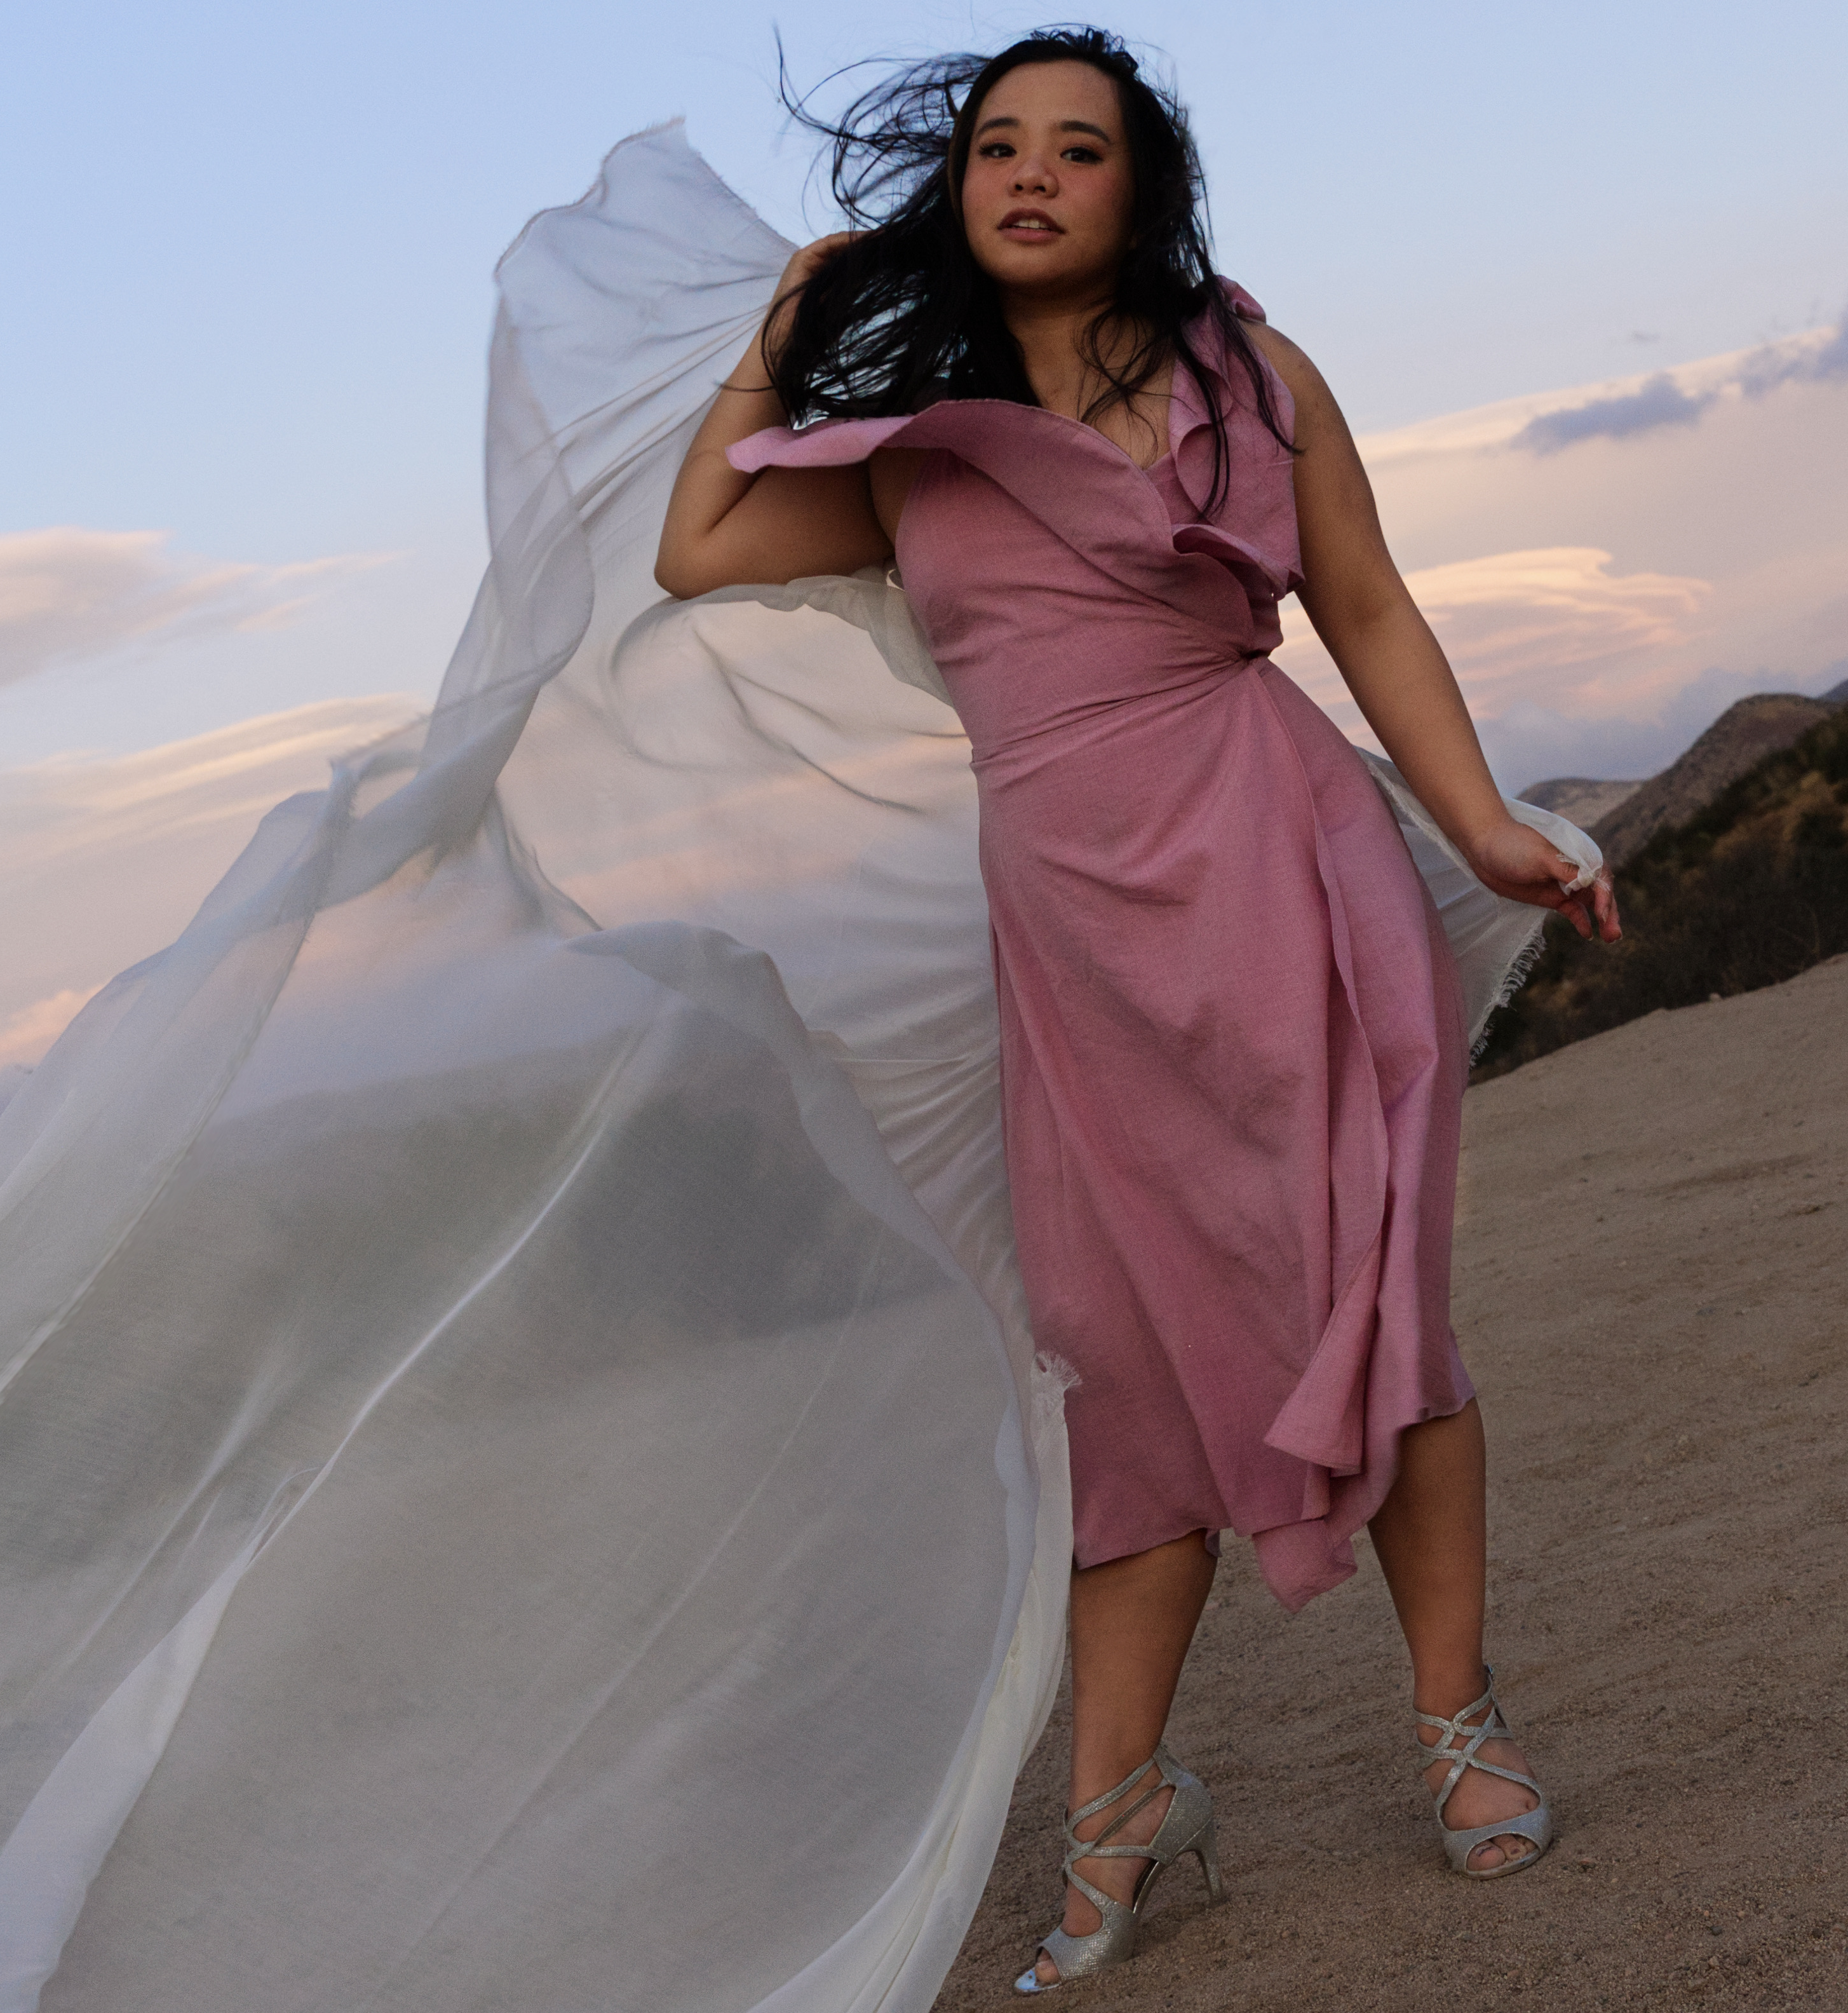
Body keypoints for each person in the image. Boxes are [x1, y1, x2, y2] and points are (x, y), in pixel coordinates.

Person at [656, 26, 1621, 1993]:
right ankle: (1127, 1809)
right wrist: (785, 318)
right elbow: (702, 548)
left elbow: (1367, 608)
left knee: (1373, 1293)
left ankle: (1460, 1730)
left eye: (1075, 149)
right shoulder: (913, 446)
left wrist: (1487, 823)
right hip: (1077, 939)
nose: (1027, 174)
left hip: (1285, 866)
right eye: (995, 148)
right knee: (1129, 1367)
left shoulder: (1257, 377)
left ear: (1139, 190)